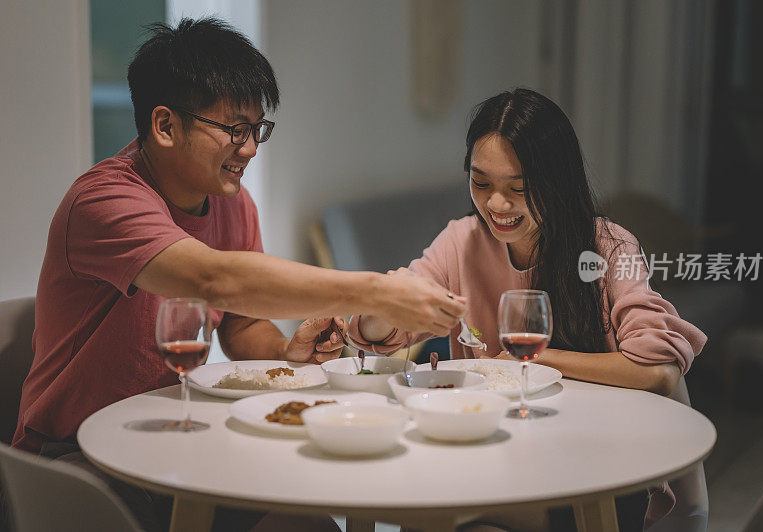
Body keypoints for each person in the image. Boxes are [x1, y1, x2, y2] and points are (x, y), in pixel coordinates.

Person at [11, 17, 464, 532]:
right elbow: (213, 280)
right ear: (164, 126)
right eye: (234, 129)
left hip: (177, 432)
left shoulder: (234, 204)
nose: (249, 149)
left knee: (309, 523)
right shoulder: (103, 202)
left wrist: (284, 354)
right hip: (77, 453)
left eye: (256, 129)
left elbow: (242, 324)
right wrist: (378, 290)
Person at [350, 88, 707, 531]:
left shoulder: (607, 247)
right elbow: (380, 333)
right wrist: (383, 302)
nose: (496, 205)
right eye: (481, 183)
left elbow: (659, 372)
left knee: (434, 509)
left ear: (557, 183)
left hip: (597, 466)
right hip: (494, 457)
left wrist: (535, 359)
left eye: (518, 189)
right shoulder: (461, 243)